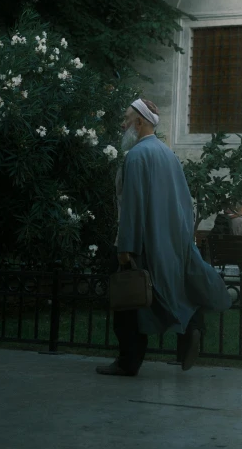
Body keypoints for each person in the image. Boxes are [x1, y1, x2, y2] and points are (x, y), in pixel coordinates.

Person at [96, 98, 232, 377]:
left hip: (143, 243)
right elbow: (185, 202)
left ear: (140, 122)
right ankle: (192, 328)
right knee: (167, 291)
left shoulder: (136, 156)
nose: (122, 125)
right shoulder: (167, 154)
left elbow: (132, 206)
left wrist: (126, 247)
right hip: (170, 241)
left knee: (128, 304)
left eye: (126, 119)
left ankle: (127, 362)